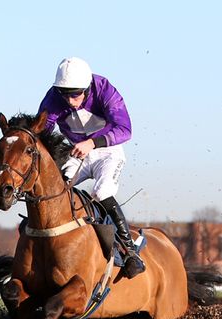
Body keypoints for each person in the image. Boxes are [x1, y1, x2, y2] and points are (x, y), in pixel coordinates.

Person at [38, 57, 145, 279]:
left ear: (87, 88)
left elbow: (125, 129)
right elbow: (42, 129)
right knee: (55, 190)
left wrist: (93, 143)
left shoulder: (104, 89)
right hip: (76, 152)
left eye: (75, 94)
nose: (70, 100)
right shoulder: (54, 97)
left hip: (108, 150)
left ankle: (130, 253)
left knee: (102, 191)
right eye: (65, 94)